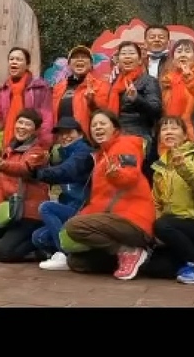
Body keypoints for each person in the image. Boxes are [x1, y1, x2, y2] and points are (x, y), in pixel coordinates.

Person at [61, 110, 155, 280]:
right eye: (94, 125)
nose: (98, 127)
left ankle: (128, 251)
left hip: (133, 221)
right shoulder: (101, 155)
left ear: (115, 128)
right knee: (76, 262)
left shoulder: (125, 144)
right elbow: (101, 200)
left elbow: (130, 176)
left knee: (75, 226)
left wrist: (115, 175)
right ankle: (131, 258)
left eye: (102, 123)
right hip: (113, 221)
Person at [147, 117, 194, 284]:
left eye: (174, 128)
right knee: (156, 268)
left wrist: (184, 167)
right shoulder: (160, 166)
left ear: (185, 135)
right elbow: (157, 203)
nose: (168, 132)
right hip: (174, 229)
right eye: (164, 129)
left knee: (163, 225)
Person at [0, 109, 50, 263]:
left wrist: (4, 165)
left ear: (36, 130)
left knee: (4, 254)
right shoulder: (9, 150)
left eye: (28, 124)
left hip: (29, 215)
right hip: (13, 212)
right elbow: (0, 181)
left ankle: (38, 242)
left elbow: (24, 168)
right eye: (20, 122)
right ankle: (16, 239)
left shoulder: (38, 152)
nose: (22, 127)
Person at [30, 117, 94, 270]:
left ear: (80, 134)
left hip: (82, 210)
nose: (65, 136)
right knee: (38, 237)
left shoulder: (83, 152)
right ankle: (74, 254)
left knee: (46, 207)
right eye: (61, 133)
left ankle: (64, 254)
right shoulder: (63, 154)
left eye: (69, 132)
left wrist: (39, 173)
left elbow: (67, 171)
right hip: (68, 209)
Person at [0, 46, 53, 149]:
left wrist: (44, 143)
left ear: (27, 65)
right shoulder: (4, 90)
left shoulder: (39, 87)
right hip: (10, 141)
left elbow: (47, 116)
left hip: (33, 141)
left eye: (19, 59)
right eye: (11, 59)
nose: (14, 62)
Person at [99, 41, 162, 144]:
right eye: (123, 53)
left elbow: (156, 111)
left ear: (140, 60)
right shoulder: (113, 83)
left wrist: (137, 99)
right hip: (114, 134)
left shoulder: (148, 81)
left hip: (138, 135)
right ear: (118, 60)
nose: (127, 56)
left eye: (131, 53)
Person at [50, 45, 98, 142]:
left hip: (86, 141)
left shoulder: (100, 86)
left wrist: (92, 104)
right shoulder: (57, 88)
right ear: (69, 64)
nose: (80, 59)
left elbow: (105, 116)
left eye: (84, 57)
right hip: (61, 140)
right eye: (75, 57)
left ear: (91, 64)